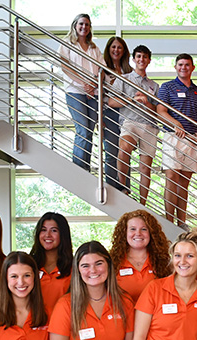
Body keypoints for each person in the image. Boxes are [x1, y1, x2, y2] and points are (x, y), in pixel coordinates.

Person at [49, 241, 133, 340]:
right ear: (77, 270)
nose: (93, 270)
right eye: (85, 265)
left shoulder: (124, 303)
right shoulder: (65, 305)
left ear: (108, 265)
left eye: (98, 263)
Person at [157, 53, 197, 226]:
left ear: (192, 68)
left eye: (187, 65)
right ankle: (169, 221)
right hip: (174, 137)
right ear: (175, 67)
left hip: (193, 139)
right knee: (171, 176)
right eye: (180, 64)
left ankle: (181, 222)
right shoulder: (167, 87)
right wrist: (176, 123)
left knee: (184, 182)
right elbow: (161, 111)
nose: (183, 67)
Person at [109, 45, 160, 204]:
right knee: (124, 149)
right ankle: (123, 187)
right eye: (138, 56)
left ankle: (142, 204)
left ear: (149, 61)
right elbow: (111, 102)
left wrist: (146, 102)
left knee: (145, 169)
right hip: (130, 122)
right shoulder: (124, 79)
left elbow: (157, 113)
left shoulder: (154, 86)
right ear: (133, 59)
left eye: (145, 57)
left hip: (149, 126)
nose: (141, 60)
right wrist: (132, 100)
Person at [59, 14, 104, 171]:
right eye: (81, 24)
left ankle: (85, 168)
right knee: (83, 130)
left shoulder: (94, 48)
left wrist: (93, 84)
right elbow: (65, 66)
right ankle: (78, 169)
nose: (84, 27)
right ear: (75, 25)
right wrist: (83, 83)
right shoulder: (67, 44)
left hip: (94, 92)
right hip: (75, 91)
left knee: (89, 131)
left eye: (87, 24)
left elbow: (102, 70)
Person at [110, 209, 172, 303]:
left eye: (143, 229)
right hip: (122, 316)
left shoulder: (163, 262)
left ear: (151, 233)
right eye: (132, 229)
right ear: (124, 233)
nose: (138, 233)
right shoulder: (112, 262)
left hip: (155, 316)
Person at [100, 36, 133, 190]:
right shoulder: (102, 69)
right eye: (113, 47)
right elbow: (98, 94)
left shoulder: (129, 71)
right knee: (112, 152)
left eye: (119, 47)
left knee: (125, 153)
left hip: (127, 115)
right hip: (110, 114)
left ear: (124, 51)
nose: (116, 50)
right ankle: (113, 188)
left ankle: (125, 188)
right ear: (108, 49)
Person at [30, 212, 73, 315]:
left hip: (63, 324)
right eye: (43, 230)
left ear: (63, 235)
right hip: (34, 325)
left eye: (54, 230)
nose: (47, 235)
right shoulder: (29, 265)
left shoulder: (74, 267)